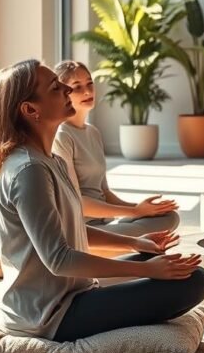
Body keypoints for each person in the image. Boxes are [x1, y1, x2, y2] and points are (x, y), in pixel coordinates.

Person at [0, 59, 204, 341]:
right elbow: (59, 259)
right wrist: (143, 270)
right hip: (48, 314)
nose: (65, 89)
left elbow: (68, 229)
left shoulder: (52, 161)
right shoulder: (29, 170)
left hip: (72, 290)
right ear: (30, 110)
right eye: (55, 87)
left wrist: (134, 242)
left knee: (168, 264)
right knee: (194, 282)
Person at [52, 60, 180, 237]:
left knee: (169, 217)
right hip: (81, 230)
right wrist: (135, 212)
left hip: (106, 223)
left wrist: (140, 208)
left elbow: (104, 191)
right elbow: (75, 202)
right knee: (144, 232)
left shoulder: (93, 133)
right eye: (77, 87)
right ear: (63, 93)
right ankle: (112, 246)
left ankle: (121, 245)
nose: (88, 91)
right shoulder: (62, 135)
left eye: (90, 84)